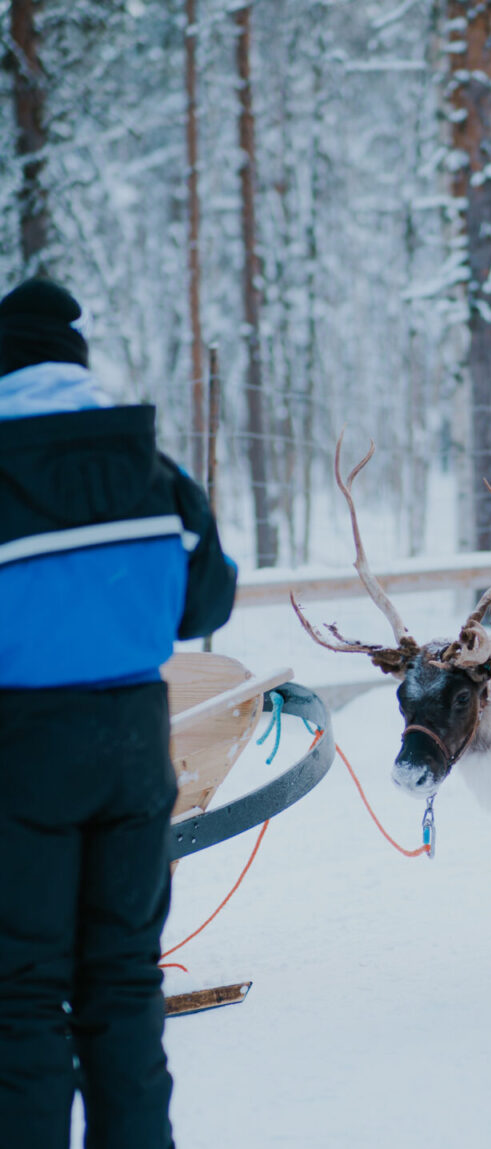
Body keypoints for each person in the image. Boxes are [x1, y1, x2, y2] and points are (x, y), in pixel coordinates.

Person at [0, 278, 237, 1147]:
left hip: (20, 748)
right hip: (136, 746)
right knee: (124, 979)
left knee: (22, 990)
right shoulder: (148, 464)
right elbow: (205, 597)